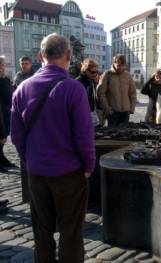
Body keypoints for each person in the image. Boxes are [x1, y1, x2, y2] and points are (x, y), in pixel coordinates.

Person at [11, 33, 95, 263]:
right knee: (71, 233)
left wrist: (30, 160)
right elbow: (84, 137)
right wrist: (88, 166)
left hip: (37, 173)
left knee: (42, 232)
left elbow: (17, 136)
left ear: (40, 56)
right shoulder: (73, 89)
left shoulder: (21, 90)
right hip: (69, 173)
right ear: (69, 55)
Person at [97, 54, 137, 127]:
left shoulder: (128, 75)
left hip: (125, 112)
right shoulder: (107, 75)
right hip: (113, 112)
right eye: (119, 65)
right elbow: (101, 93)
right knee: (113, 135)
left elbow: (133, 93)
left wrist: (132, 108)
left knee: (124, 135)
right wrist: (107, 109)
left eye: (123, 65)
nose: (121, 68)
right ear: (113, 63)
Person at [0, 56, 16, 172]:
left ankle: (2, 159)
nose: (3, 67)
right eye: (2, 64)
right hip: (1, 113)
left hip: (5, 113)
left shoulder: (4, 79)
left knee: (3, 139)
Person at [76, 58, 99, 127]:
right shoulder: (78, 83)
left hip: (90, 113)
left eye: (96, 71)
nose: (95, 74)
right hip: (81, 116)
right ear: (85, 70)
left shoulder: (90, 80)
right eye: (92, 72)